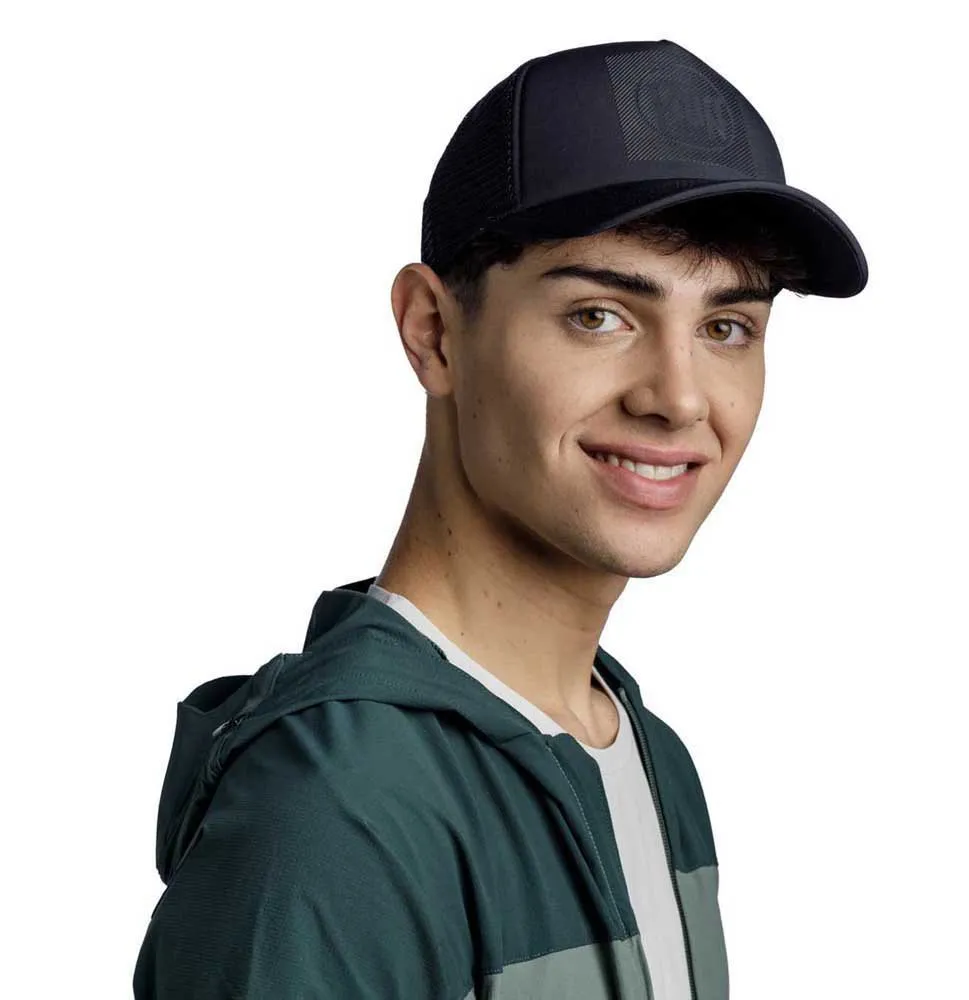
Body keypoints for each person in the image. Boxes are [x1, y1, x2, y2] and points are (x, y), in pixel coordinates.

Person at [132, 39, 867, 1000]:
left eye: (726, 327)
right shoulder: (340, 808)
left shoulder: (646, 756)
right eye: (598, 315)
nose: (680, 398)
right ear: (433, 331)